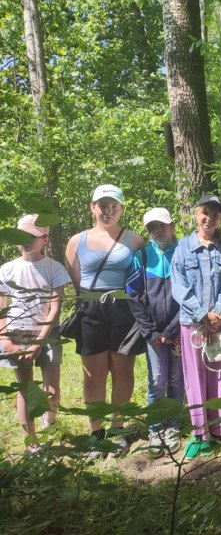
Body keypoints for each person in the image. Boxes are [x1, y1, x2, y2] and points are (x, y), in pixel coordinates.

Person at [65, 185, 145, 457]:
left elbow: (141, 276)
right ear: (92, 207)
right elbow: (77, 281)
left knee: (123, 370)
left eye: (114, 206)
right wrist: (92, 300)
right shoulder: (77, 241)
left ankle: (119, 429)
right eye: (102, 205)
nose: (108, 211)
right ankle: (96, 433)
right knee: (94, 374)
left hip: (124, 310)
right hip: (91, 310)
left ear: (122, 209)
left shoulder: (133, 240)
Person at [171, 194, 221, 459]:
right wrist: (203, 314)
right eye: (205, 212)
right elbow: (178, 287)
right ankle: (201, 433)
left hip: (219, 323)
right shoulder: (183, 247)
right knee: (195, 378)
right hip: (193, 323)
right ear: (196, 214)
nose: (209, 218)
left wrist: (218, 314)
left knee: (220, 373)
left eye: (215, 213)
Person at [0, 215, 70, 452]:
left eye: (32, 236)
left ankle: (48, 422)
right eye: (21, 235)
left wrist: (39, 343)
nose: (25, 241)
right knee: (25, 389)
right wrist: (5, 339)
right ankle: (32, 444)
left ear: (45, 239)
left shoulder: (54, 268)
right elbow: (1, 307)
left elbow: (55, 308)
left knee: (52, 390)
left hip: (47, 334)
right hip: (17, 334)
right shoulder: (7, 270)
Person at [126, 207, 182, 458]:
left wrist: (173, 329)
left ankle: (174, 426)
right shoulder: (142, 256)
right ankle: (155, 428)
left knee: (177, 380)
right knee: (157, 380)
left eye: (161, 225)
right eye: (151, 227)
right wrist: (150, 332)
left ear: (171, 225)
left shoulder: (183, 252)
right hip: (153, 333)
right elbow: (133, 295)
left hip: (180, 329)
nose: (157, 231)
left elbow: (192, 293)